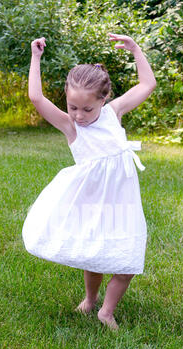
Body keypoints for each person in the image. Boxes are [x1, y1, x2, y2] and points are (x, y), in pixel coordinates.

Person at [22, 33, 156, 330]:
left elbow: (147, 85)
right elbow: (36, 97)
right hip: (91, 204)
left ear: (103, 100)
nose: (79, 115)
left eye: (87, 109)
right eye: (72, 107)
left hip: (123, 203)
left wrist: (135, 49)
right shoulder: (71, 128)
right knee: (93, 255)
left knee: (127, 260)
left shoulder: (113, 114)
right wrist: (35, 57)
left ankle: (106, 311)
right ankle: (90, 299)